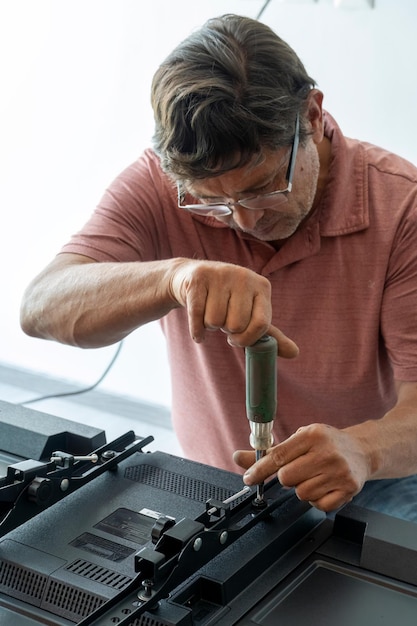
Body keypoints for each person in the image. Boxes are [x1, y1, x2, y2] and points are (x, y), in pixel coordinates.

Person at [20, 14, 417, 521]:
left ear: (312, 116)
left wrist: (364, 450)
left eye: (263, 187)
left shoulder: (402, 208)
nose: (245, 221)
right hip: (215, 477)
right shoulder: (163, 184)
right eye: (213, 204)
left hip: (374, 480)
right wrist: (171, 278)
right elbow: (40, 307)